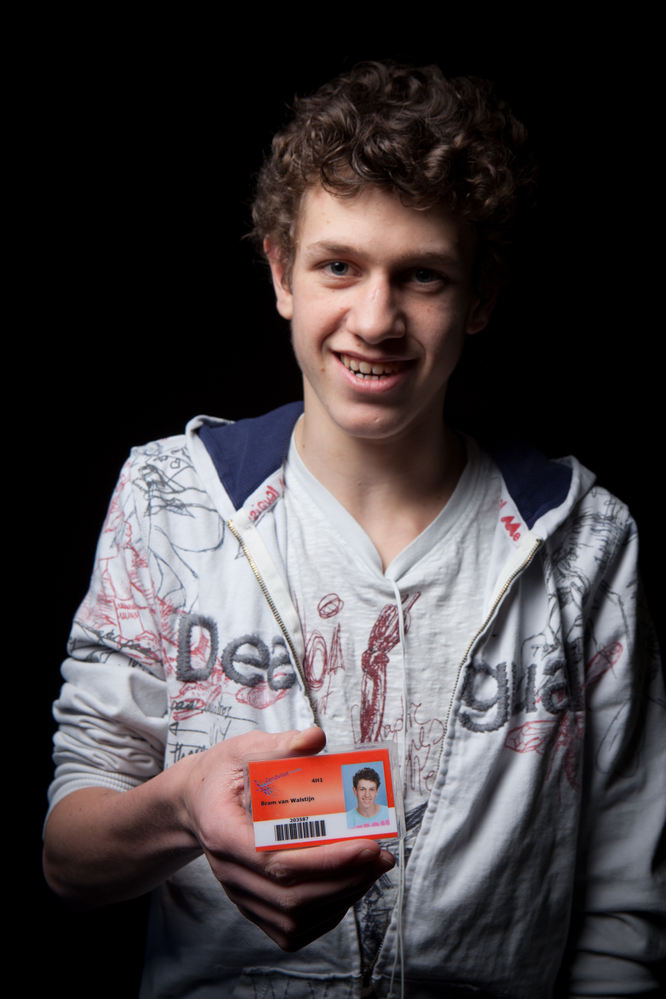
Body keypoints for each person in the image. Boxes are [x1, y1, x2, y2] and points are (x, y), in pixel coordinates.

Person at [43, 61, 665, 998]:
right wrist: (183, 806)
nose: (375, 321)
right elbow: (70, 858)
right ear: (281, 271)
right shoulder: (171, 500)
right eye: (339, 265)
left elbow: (622, 910)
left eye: (422, 275)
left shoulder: (586, 542)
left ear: (480, 297)